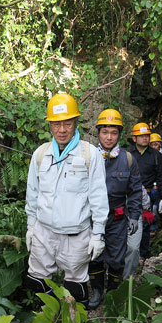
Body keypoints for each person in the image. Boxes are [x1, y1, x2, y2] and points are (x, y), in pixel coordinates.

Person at [25, 93, 109, 306]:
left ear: (75, 123)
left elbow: (98, 197)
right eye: (56, 124)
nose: (62, 130)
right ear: (50, 125)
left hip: (76, 235)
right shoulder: (41, 155)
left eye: (67, 123)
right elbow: (33, 193)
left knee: (76, 287)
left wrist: (98, 233)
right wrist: (31, 226)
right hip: (44, 232)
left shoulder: (90, 155)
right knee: (37, 281)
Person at [87, 109, 143, 309]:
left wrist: (135, 216)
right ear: (98, 133)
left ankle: (112, 293)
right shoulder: (88, 156)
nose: (109, 137)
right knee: (93, 257)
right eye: (104, 132)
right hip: (91, 218)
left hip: (117, 218)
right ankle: (97, 292)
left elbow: (135, 191)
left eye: (113, 133)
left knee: (117, 260)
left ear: (119, 134)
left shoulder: (128, 159)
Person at [127, 123, 162, 258]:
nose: (145, 138)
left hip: (148, 195)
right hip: (129, 195)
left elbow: (161, 178)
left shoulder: (156, 155)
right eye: (141, 136)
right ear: (134, 138)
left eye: (147, 136)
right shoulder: (127, 154)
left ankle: (143, 255)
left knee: (145, 225)